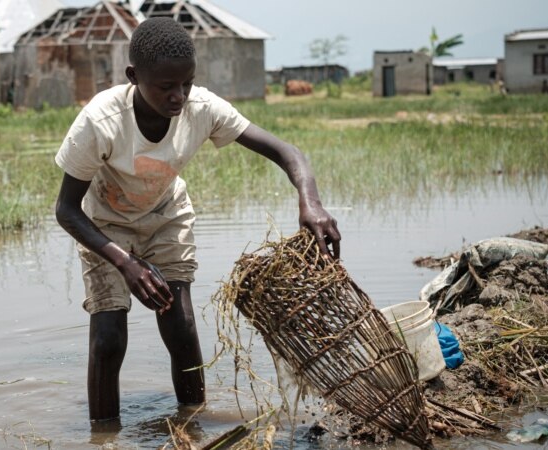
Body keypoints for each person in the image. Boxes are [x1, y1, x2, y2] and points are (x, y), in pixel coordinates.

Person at [54, 17, 341, 423]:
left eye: (186, 83)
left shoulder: (202, 108)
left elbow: (287, 152)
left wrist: (309, 201)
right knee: (108, 337)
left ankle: (191, 422)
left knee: (181, 322)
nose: (179, 96)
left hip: (166, 214)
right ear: (133, 77)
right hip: (105, 225)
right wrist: (126, 262)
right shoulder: (101, 121)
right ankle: (105, 435)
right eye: (166, 86)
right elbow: (66, 210)